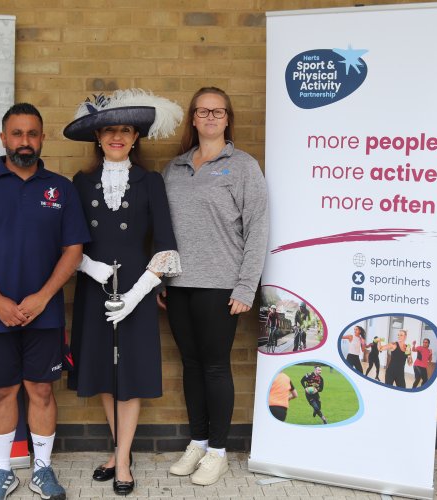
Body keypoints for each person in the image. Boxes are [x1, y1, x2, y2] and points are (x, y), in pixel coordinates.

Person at [0, 103, 90, 500]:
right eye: (16, 133)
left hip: (44, 315)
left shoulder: (60, 189)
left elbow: (73, 249)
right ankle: (1, 472)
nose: (24, 141)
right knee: (2, 392)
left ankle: (43, 471)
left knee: (41, 390)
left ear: (42, 138)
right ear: (3, 138)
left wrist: (43, 298)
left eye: (31, 134)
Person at [63, 89, 183, 496]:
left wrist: (137, 295)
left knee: (129, 374)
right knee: (105, 373)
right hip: (95, 287)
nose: (117, 137)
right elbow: (65, 241)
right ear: (98, 137)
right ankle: (119, 451)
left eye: (126, 130)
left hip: (137, 287)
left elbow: (166, 246)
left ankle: (124, 458)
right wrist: (87, 265)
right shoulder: (79, 183)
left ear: (136, 137)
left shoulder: (151, 182)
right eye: (110, 130)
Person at [161, 87, 268, 486]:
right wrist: (160, 279)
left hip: (220, 285)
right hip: (178, 285)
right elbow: (163, 230)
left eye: (217, 111)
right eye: (202, 111)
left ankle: (219, 453)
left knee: (215, 366)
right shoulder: (175, 168)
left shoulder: (242, 166)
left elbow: (258, 227)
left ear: (227, 118)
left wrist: (245, 286)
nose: (210, 117)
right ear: (193, 117)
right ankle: (199, 441)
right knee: (190, 365)